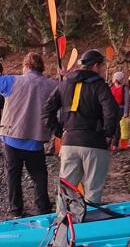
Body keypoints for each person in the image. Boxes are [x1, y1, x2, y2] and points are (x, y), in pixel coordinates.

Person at [0, 53, 58, 216]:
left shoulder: (13, 81)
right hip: (35, 140)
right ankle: (43, 208)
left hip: (12, 138)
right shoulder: (51, 85)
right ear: (41, 67)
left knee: (13, 176)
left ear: (26, 66)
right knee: (39, 176)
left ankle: (16, 210)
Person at [42, 50, 119, 204]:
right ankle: (89, 222)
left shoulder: (64, 84)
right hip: (94, 142)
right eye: (102, 66)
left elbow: (46, 111)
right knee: (93, 190)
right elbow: (112, 111)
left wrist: (59, 132)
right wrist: (108, 134)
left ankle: (64, 222)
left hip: (69, 141)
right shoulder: (100, 86)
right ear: (96, 66)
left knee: (66, 192)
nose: (103, 70)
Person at [110, 70, 130, 150]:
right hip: (112, 110)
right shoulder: (111, 87)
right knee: (112, 126)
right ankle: (110, 143)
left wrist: (126, 112)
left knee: (121, 128)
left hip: (121, 110)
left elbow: (127, 101)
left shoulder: (124, 88)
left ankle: (122, 145)